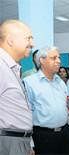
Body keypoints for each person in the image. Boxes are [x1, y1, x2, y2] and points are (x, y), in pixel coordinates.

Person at [23, 46, 69, 155]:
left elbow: (67, 106)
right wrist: (29, 142)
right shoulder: (29, 83)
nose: (59, 61)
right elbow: (25, 114)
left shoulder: (60, 82)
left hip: (65, 134)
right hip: (43, 137)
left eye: (58, 57)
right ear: (42, 60)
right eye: (54, 58)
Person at [0, 19, 34, 155]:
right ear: (10, 40)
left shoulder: (12, 68)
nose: (32, 43)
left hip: (19, 141)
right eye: (28, 38)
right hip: (7, 143)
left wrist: (27, 143)